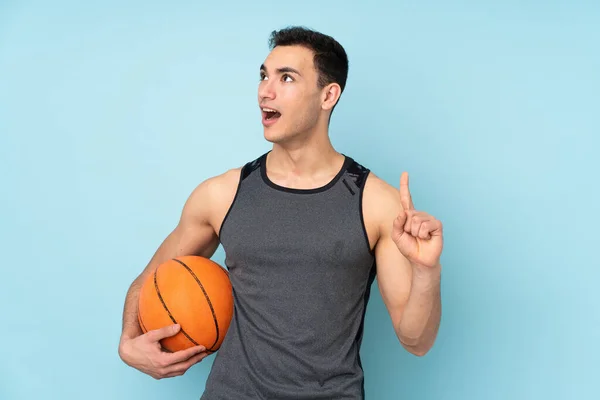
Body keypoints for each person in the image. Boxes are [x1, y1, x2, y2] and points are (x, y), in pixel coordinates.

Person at [118, 26, 443, 399]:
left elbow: (416, 341)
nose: (264, 91)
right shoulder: (221, 194)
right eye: (263, 76)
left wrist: (426, 271)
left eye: (285, 77)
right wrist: (128, 341)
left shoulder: (375, 203)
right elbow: (149, 279)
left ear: (328, 95)